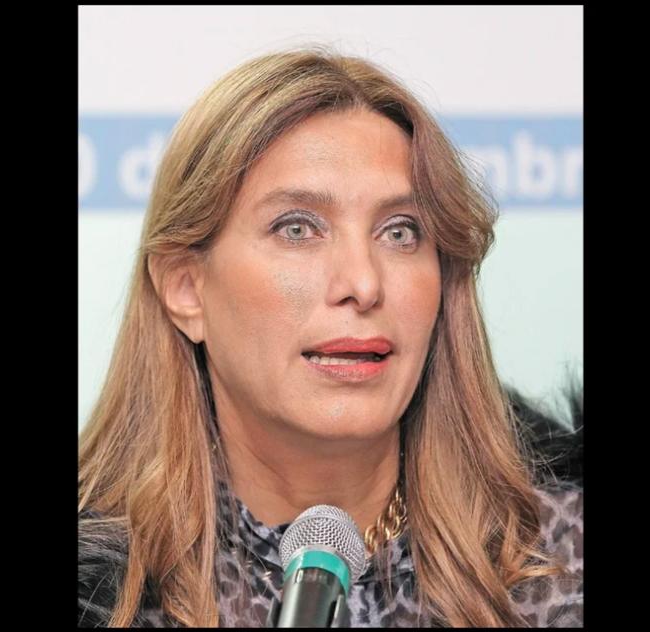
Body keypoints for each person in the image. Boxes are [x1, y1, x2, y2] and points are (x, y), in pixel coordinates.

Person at [78, 47, 583, 628]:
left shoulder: (563, 563)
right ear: (186, 288)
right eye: (297, 228)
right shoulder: (101, 593)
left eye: (400, 232)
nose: (363, 284)